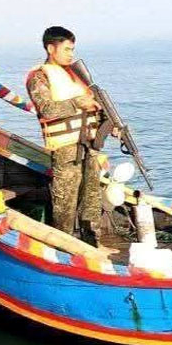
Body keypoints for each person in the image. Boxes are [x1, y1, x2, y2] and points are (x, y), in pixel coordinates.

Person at [25, 26, 105, 244]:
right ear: (51, 48)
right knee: (65, 202)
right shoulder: (39, 77)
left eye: (73, 49)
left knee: (92, 200)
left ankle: (92, 243)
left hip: (89, 144)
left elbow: (94, 105)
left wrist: (110, 125)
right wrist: (76, 103)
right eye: (67, 49)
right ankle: (62, 246)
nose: (71, 54)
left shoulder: (76, 75)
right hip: (66, 148)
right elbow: (47, 109)